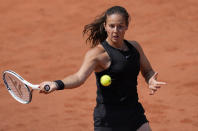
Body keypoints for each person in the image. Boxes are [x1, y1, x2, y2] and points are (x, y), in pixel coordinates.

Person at [39, 6, 166, 131]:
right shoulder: (98, 54)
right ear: (105, 26)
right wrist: (56, 84)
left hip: (134, 114)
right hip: (108, 120)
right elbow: (79, 77)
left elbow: (148, 71)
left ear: (127, 26)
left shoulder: (135, 47)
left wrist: (151, 80)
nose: (115, 30)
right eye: (111, 26)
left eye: (120, 26)